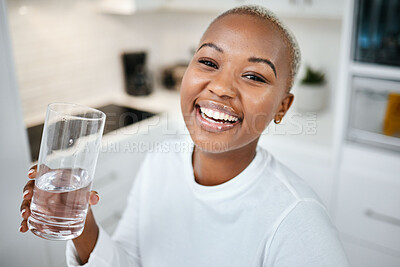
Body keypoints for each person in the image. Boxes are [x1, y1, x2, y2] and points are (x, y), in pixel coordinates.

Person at [19, 5, 349, 267]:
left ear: (282, 107)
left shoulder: (298, 222)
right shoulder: (160, 161)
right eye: (208, 61)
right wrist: (82, 226)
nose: (221, 87)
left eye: (253, 76)